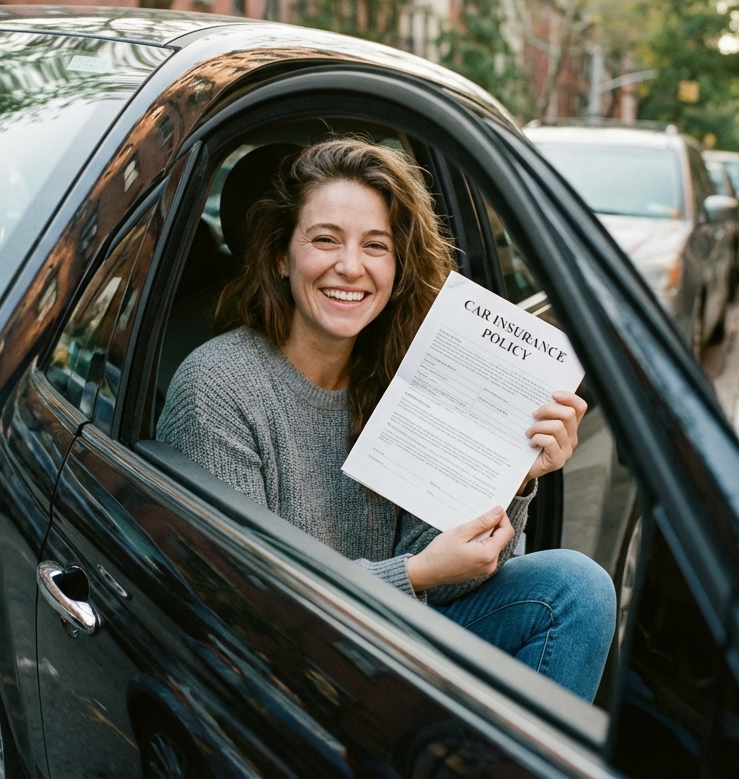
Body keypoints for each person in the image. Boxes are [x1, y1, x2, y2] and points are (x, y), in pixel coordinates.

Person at [159, 138, 616, 702]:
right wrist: (416, 574)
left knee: (579, 589)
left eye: (376, 246)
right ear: (281, 255)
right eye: (325, 240)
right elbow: (243, 608)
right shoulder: (218, 386)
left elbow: (454, 577)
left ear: (399, 268)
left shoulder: (407, 374)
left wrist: (515, 473)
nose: (350, 267)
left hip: (395, 640)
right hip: (285, 675)